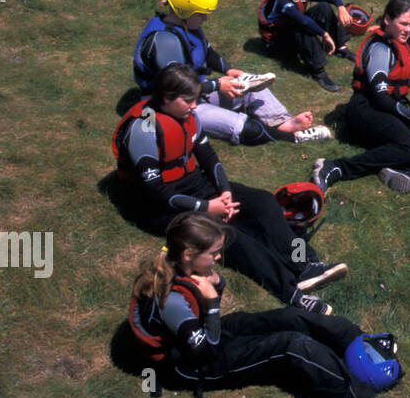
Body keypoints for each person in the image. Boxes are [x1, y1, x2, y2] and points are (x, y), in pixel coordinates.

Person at [130, 212, 405, 398]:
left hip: (202, 338)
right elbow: (206, 352)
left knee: (293, 317)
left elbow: (203, 324)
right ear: (189, 254)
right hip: (190, 366)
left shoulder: (183, 265)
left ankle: (360, 344)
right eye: (213, 253)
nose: (217, 258)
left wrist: (216, 287)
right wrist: (212, 302)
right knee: (290, 345)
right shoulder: (171, 300)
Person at [113, 64, 345, 313]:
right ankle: (291, 291)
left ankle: (303, 263)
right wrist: (207, 208)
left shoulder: (187, 115)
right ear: (167, 98)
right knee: (229, 235)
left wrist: (224, 192)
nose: (194, 106)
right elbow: (156, 191)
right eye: (188, 101)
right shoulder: (145, 126)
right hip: (158, 205)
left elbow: (209, 158)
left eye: (195, 100)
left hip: (193, 184)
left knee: (264, 202)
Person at [133, 0, 330, 146]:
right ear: (187, 13)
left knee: (253, 87)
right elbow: (177, 87)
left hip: (196, 91)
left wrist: (227, 71)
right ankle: (289, 137)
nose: (206, 19)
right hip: (170, 106)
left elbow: (207, 51)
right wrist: (217, 85)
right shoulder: (164, 41)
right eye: (202, 15)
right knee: (240, 126)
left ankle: (285, 123)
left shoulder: (186, 25)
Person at [311, 0, 410, 195]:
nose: (407, 29)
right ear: (387, 20)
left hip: (390, 106)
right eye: (403, 23)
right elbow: (380, 97)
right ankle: (335, 167)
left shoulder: (403, 43)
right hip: (366, 109)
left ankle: (403, 172)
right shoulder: (380, 48)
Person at [257, 0, 354, 92]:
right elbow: (304, 21)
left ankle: (340, 48)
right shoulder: (283, 2)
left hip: (289, 30)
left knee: (323, 7)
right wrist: (324, 34)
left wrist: (341, 8)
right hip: (277, 44)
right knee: (301, 26)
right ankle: (317, 70)